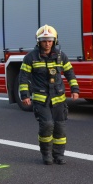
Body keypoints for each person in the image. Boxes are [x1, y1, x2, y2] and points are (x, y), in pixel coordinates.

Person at [18, 25, 80, 165]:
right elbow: (23, 77)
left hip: (59, 99)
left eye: (50, 40)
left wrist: (75, 89)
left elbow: (70, 73)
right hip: (42, 100)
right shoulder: (30, 58)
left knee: (60, 128)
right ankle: (46, 155)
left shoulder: (60, 56)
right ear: (39, 42)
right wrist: (25, 95)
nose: (47, 43)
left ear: (55, 41)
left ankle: (58, 156)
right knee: (47, 125)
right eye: (44, 40)